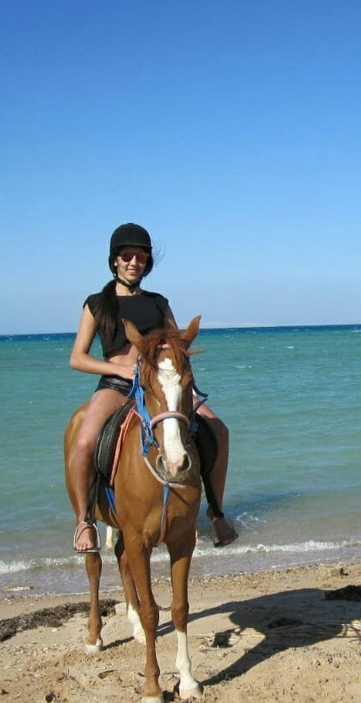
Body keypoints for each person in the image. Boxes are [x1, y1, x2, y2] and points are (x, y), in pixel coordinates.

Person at [66, 223, 238, 553]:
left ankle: (215, 511)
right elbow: (78, 357)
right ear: (115, 261)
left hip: (160, 385)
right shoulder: (97, 304)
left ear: (147, 262)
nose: (134, 262)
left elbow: (177, 346)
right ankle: (84, 521)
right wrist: (122, 369)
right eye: (126, 256)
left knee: (219, 430)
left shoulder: (159, 303)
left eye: (141, 256)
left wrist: (176, 378)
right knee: (86, 440)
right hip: (117, 385)